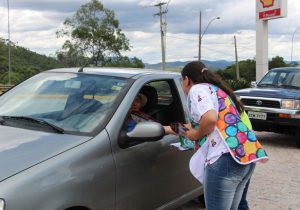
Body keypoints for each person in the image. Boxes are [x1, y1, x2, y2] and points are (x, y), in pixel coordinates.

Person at [178, 61, 268, 210]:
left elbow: (210, 119)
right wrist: (167, 129)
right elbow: (203, 124)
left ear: (187, 79)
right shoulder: (216, 90)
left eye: (182, 81)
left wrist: (196, 135)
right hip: (245, 154)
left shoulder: (197, 89)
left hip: (225, 158)